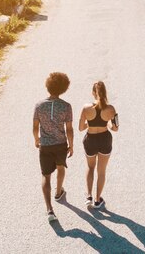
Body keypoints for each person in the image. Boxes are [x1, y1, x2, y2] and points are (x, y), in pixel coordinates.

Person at [33, 72, 74, 222]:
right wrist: (71, 145)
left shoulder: (39, 105)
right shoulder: (66, 106)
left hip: (45, 145)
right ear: (64, 88)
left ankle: (50, 210)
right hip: (61, 144)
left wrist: (36, 139)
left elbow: (35, 126)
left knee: (45, 176)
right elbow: (69, 128)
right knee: (61, 168)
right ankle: (58, 192)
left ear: (47, 86)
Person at [79, 81, 119, 209]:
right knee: (101, 171)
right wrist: (106, 124)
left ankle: (89, 196)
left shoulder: (86, 108)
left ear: (93, 93)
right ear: (105, 93)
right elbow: (115, 128)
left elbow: (80, 128)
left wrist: (90, 124)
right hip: (104, 140)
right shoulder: (111, 109)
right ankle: (97, 200)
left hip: (90, 140)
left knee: (90, 167)